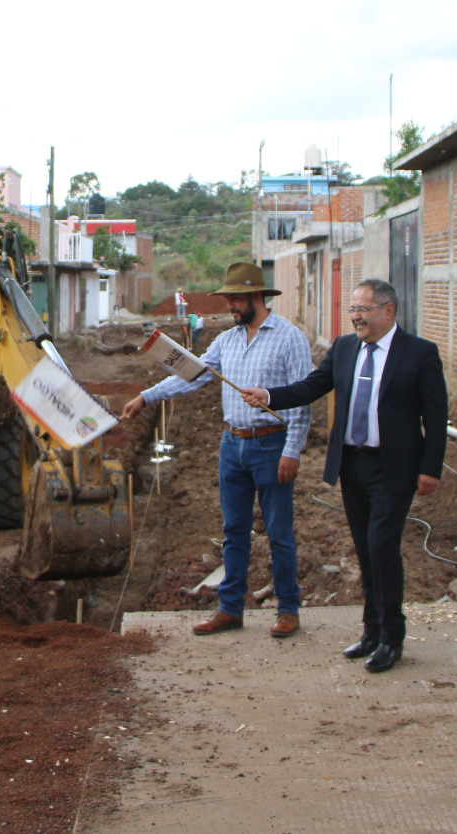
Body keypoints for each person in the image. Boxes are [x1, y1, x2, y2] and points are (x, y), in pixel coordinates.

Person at [242, 280, 447, 672]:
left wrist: (430, 468)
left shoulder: (420, 353)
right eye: (352, 309)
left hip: (395, 467)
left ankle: (392, 637)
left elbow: (435, 419)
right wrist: (270, 396)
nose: (355, 317)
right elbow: (312, 387)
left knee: (382, 546)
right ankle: (371, 631)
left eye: (363, 310)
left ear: (388, 311)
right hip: (353, 465)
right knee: (366, 550)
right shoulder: (345, 348)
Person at [122, 262, 312, 638]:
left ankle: (288, 609)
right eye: (228, 299)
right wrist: (146, 397)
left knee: (278, 532)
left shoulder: (290, 339)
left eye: (236, 299)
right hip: (232, 446)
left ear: (257, 297)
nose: (230, 306)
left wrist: (292, 450)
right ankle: (230, 608)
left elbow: (302, 401)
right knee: (234, 531)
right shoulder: (226, 340)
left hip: (272, 446)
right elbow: (190, 376)